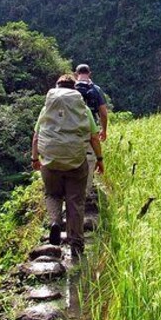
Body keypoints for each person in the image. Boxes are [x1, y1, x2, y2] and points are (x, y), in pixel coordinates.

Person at [31, 74, 104, 259]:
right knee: (75, 201)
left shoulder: (47, 108)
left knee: (52, 194)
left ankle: (55, 222)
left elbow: (36, 137)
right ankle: (76, 246)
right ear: (74, 90)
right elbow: (94, 137)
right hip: (76, 160)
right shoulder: (83, 109)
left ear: (56, 88)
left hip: (50, 160)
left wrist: (35, 159)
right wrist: (99, 159)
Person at [74, 64, 108, 196]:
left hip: (71, 129)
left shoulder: (71, 88)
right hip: (90, 129)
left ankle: (73, 187)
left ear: (76, 73)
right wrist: (103, 130)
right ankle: (86, 189)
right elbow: (103, 113)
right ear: (90, 73)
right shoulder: (96, 89)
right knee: (90, 159)